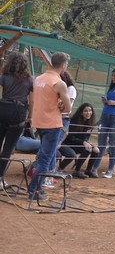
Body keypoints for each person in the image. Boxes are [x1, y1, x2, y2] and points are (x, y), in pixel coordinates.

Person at [28, 52, 72, 202]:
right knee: (45, 160)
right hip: (52, 124)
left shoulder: (39, 79)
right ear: (63, 65)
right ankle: (34, 190)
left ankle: (35, 188)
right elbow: (68, 108)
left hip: (39, 122)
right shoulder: (59, 83)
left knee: (44, 157)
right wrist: (61, 105)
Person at [0, 51, 34, 188]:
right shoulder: (30, 80)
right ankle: (0, 177)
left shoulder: (4, 76)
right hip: (18, 112)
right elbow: (32, 101)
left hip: (3, 107)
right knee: (8, 147)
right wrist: (30, 117)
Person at [57, 103, 99, 179]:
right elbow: (70, 137)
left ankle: (88, 170)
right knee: (87, 149)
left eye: (90, 110)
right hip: (67, 143)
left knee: (96, 150)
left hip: (78, 144)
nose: (88, 112)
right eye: (85, 111)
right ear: (81, 113)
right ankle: (76, 171)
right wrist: (83, 142)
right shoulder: (74, 122)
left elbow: (85, 138)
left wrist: (88, 143)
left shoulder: (90, 123)